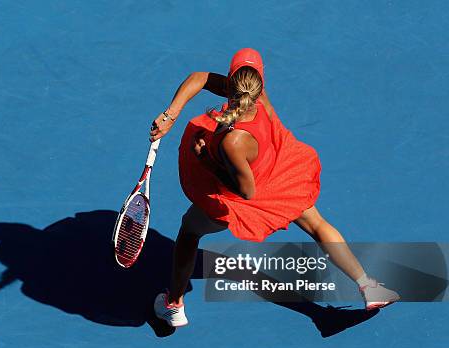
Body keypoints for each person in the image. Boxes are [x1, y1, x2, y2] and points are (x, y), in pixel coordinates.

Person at [150, 48, 399, 327]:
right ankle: (369, 286)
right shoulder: (258, 97)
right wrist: (170, 115)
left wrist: (206, 160)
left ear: (232, 82)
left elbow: (246, 191)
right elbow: (201, 78)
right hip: (278, 172)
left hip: (249, 194)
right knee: (317, 224)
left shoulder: (234, 142)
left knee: (188, 231)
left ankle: (173, 304)